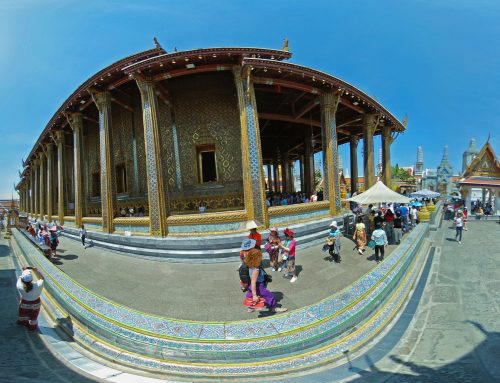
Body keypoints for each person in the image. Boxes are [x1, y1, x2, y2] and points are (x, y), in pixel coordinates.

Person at [245, 248, 287, 313]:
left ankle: (251, 307)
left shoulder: (250, 265)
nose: (261, 259)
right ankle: (273, 307)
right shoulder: (256, 270)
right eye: (260, 258)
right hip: (259, 286)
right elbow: (253, 282)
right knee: (269, 296)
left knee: (250, 295)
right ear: (257, 259)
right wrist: (254, 295)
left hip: (253, 285)